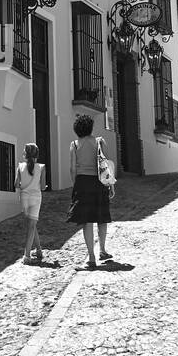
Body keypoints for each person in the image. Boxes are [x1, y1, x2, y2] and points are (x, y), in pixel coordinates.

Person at [67, 114, 113, 269]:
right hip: (99, 182)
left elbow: (72, 168)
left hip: (82, 183)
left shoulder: (74, 144)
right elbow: (106, 164)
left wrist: (76, 185)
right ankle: (103, 250)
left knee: (86, 221)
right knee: (101, 217)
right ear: (90, 127)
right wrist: (110, 184)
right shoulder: (100, 141)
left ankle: (91, 257)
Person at [18, 143, 46, 264]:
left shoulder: (20, 166)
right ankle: (27, 255)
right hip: (36, 197)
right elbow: (43, 187)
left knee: (31, 224)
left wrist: (25, 184)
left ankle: (39, 250)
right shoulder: (41, 167)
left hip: (24, 197)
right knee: (31, 225)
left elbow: (16, 184)